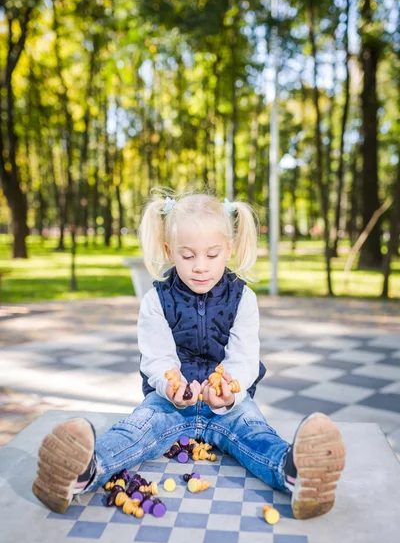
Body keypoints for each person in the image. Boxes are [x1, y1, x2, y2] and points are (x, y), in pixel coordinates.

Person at [32, 191, 346, 520]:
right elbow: (157, 357)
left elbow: (244, 357)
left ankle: (294, 472)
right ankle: (83, 472)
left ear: (229, 248)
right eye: (187, 255)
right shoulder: (156, 299)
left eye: (212, 255)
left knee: (255, 432)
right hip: (169, 404)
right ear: (169, 251)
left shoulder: (244, 299)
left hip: (227, 408)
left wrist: (228, 390)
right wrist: (172, 388)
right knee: (135, 429)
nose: (200, 267)